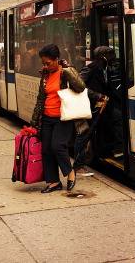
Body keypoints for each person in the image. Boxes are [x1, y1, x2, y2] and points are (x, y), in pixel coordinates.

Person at [30, 44, 86, 193]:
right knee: (46, 149)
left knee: (58, 146)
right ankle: (54, 182)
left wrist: (68, 70)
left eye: (48, 63)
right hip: (47, 117)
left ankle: (70, 172)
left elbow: (80, 87)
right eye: (43, 63)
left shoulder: (65, 72)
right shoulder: (45, 74)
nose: (45, 66)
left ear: (57, 59)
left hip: (63, 117)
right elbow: (41, 98)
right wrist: (34, 122)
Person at [79, 46, 124, 158]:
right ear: (102, 56)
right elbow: (79, 86)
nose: (113, 58)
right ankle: (102, 151)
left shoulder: (107, 68)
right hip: (94, 104)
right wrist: (97, 95)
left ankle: (113, 149)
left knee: (114, 120)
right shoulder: (90, 68)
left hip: (106, 103)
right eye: (110, 55)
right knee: (99, 127)